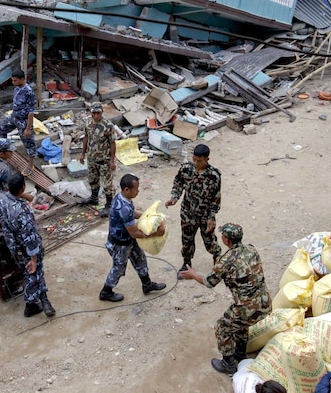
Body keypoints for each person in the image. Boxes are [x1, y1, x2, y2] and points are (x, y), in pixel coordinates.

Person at [178, 223, 271, 375]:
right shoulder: (251, 249)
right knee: (240, 324)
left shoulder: (225, 261)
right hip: (265, 302)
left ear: (226, 240)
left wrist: (193, 274)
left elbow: (209, 282)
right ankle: (240, 354)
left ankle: (228, 364)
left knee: (223, 327)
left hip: (247, 308)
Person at [98, 173, 166, 303]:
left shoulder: (121, 198)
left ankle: (147, 284)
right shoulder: (123, 207)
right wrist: (156, 233)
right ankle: (106, 292)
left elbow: (132, 213)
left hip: (127, 240)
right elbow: (134, 233)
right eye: (136, 188)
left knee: (140, 259)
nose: (138, 191)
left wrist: (147, 216)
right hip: (120, 244)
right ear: (127, 189)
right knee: (118, 269)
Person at [0, 173, 55, 318]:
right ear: (23, 187)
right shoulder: (23, 211)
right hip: (25, 247)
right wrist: (33, 258)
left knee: (29, 270)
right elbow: (30, 236)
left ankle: (42, 299)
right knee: (33, 270)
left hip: (12, 244)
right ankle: (32, 303)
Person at [166, 144, 222, 276]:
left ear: (207, 159)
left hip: (204, 214)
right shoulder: (186, 169)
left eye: (200, 161)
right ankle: (186, 264)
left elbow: (216, 198)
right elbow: (178, 183)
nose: (196, 163)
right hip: (187, 213)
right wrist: (174, 198)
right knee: (186, 240)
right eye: (194, 160)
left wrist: (211, 217)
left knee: (209, 240)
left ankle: (218, 260)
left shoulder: (214, 176)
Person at [0, 68, 37, 176]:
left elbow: (31, 112)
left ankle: (30, 165)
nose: (13, 83)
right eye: (12, 80)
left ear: (22, 79)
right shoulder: (16, 89)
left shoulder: (29, 92)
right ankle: (4, 150)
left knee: (29, 143)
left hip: (23, 121)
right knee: (1, 128)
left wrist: (28, 128)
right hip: (14, 117)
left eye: (15, 81)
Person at [80, 102, 116, 217]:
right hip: (91, 158)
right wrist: (82, 154)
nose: (96, 116)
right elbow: (86, 138)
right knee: (92, 179)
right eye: (93, 113)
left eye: (98, 113)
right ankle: (94, 198)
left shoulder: (108, 125)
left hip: (104, 159)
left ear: (102, 113)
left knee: (107, 184)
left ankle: (109, 205)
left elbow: (112, 143)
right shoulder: (88, 123)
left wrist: (112, 161)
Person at [0, 138, 34, 203]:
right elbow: (10, 189)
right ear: (2, 154)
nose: (12, 153)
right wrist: (26, 196)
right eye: (9, 151)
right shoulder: (4, 169)